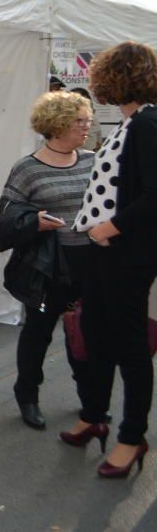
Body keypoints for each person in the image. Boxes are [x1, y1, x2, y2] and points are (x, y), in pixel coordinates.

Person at [62, 41, 157, 478]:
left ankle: (132, 436)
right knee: (97, 335)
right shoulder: (132, 122)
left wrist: (111, 228)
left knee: (130, 346)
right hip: (105, 252)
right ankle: (94, 414)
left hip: (126, 253)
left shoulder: (148, 123)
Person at [0, 91, 94, 430]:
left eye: (87, 119)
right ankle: (28, 396)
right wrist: (34, 222)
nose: (87, 126)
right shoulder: (28, 169)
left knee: (85, 333)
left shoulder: (93, 160)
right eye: (80, 120)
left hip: (91, 263)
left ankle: (90, 399)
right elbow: (7, 215)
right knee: (38, 333)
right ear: (58, 124)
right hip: (48, 266)